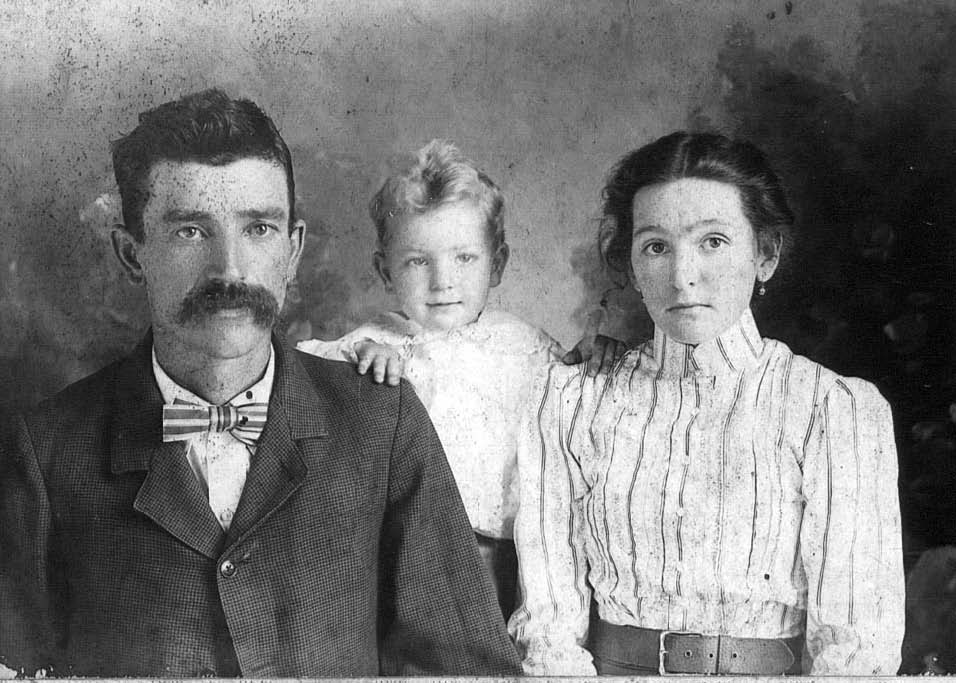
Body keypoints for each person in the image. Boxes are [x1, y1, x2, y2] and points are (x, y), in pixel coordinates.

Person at [0, 89, 521, 677]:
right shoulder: (45, 451)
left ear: (292, 249)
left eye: (258, 229)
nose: (230, 269)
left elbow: (467, 669)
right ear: (131, 253)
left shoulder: (383, 421)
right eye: (190, 232)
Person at [508, 131, 905, 675]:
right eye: (656, 246)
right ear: (630, 263)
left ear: (764, 255)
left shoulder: (833, 411)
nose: (682, 275)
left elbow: (858, 647)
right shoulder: (573, 401)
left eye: (713, 241)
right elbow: (551, 622)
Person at [298, 139, 564, 618]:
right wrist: (361, 365)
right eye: (419, 261)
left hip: (505, 567)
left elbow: (578, 407)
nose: (443, 281)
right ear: (385, 270)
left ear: (497, 263)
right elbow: (312, 389)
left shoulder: (527, 347)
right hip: (402, 566)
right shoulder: (375, 343)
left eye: (464, 258)